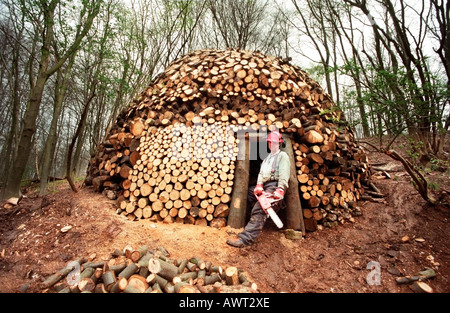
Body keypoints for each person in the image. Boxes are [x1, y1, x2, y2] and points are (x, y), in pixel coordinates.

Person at [227, 130, 290, 248]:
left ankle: (245, 239)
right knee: (246, 194)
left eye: (274, 143)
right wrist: (259, 185)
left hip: (274, 185)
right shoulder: (267, 158)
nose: (272, 145)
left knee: (261, 208)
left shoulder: (282, 156)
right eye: (270, 142)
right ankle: (247, 225)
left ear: (279, 143)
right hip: (265, 185)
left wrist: (280, 188)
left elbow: (284, 173)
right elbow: (261, 174)